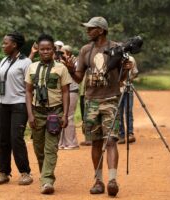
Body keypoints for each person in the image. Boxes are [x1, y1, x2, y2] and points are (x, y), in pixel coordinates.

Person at [64, 17, 134, 197]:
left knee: (110, 140)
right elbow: (79, 78)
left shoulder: (116, 48)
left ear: (101, 30)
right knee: (95, 142)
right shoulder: (85, 50)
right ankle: (98, 181)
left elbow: (123, 79)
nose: (87, 31)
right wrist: (71, 69)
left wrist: (126, 68)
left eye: (91, 28)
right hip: (91, 100)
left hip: (111, 99)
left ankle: (112, 180)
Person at [25, 34, 72, 194]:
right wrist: (30, 115)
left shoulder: (61, 68)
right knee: (39, 149)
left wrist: (65, 115)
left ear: (53, 50)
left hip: (55, 112)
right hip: (37, 112)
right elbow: (28, 91)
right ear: (37, 50)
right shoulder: (31, 67)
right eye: (42, 49)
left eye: (49, 49)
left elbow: (65, 92)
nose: (45, 52)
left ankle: (47, 181)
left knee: (50, 148)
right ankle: (45, 176)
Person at [0, 31, 33, 186]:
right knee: (3, 139)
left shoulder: (26, 62)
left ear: (15, 45)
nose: (3, 46)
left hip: (19, 104)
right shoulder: (3, 61)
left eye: (5, 43)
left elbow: (29, 87)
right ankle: (3, 172)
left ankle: (25, 172)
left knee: (16, 138)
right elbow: (0, 84)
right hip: (3, 104)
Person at [58, 45, 80, 150]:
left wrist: (67, 66)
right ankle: (62, 142)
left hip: (72, 91)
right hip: (62, 91)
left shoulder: (75, 62)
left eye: (63, 53)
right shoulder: (59, 63)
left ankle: (72, 142)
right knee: (61, 116)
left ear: (69, 53)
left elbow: (76, 75)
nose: (61, 54)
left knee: (69, 116)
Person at [118, 58, 138, 144]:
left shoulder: (131, 59)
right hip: (117, 91)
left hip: (128, 89)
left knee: (128, 112)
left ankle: (130, 134)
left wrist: (129, 79)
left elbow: (135, 73)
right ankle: (121, 135)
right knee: (118, 113)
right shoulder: (115, 60)